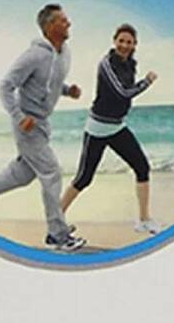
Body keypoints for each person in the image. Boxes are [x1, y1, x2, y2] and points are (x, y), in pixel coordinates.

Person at [0, 3, 87, 252]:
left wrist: (68, 90)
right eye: (63, 20)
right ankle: (57, 235)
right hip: (27, 126)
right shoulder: (33, 55)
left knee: (21, 175)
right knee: (52, 172)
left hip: (43, 123)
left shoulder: (64, 53)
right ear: (50, 26)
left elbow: (49, 83)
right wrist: (18, 116)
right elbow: (4, 86)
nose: (69, 23)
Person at [60, 23, 160, 234]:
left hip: (117, 127)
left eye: (129, 42)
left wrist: (140, 83)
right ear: (114, 41)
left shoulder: (130, 64)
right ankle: (56, 221)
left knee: (142, 167)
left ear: (135, 45)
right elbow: (123, 92)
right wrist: (147, 82)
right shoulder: (106, 64)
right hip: (98, 128)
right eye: (121, 41)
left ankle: (144, 220)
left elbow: (126, 93)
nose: (125, 45)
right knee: (83, 179)